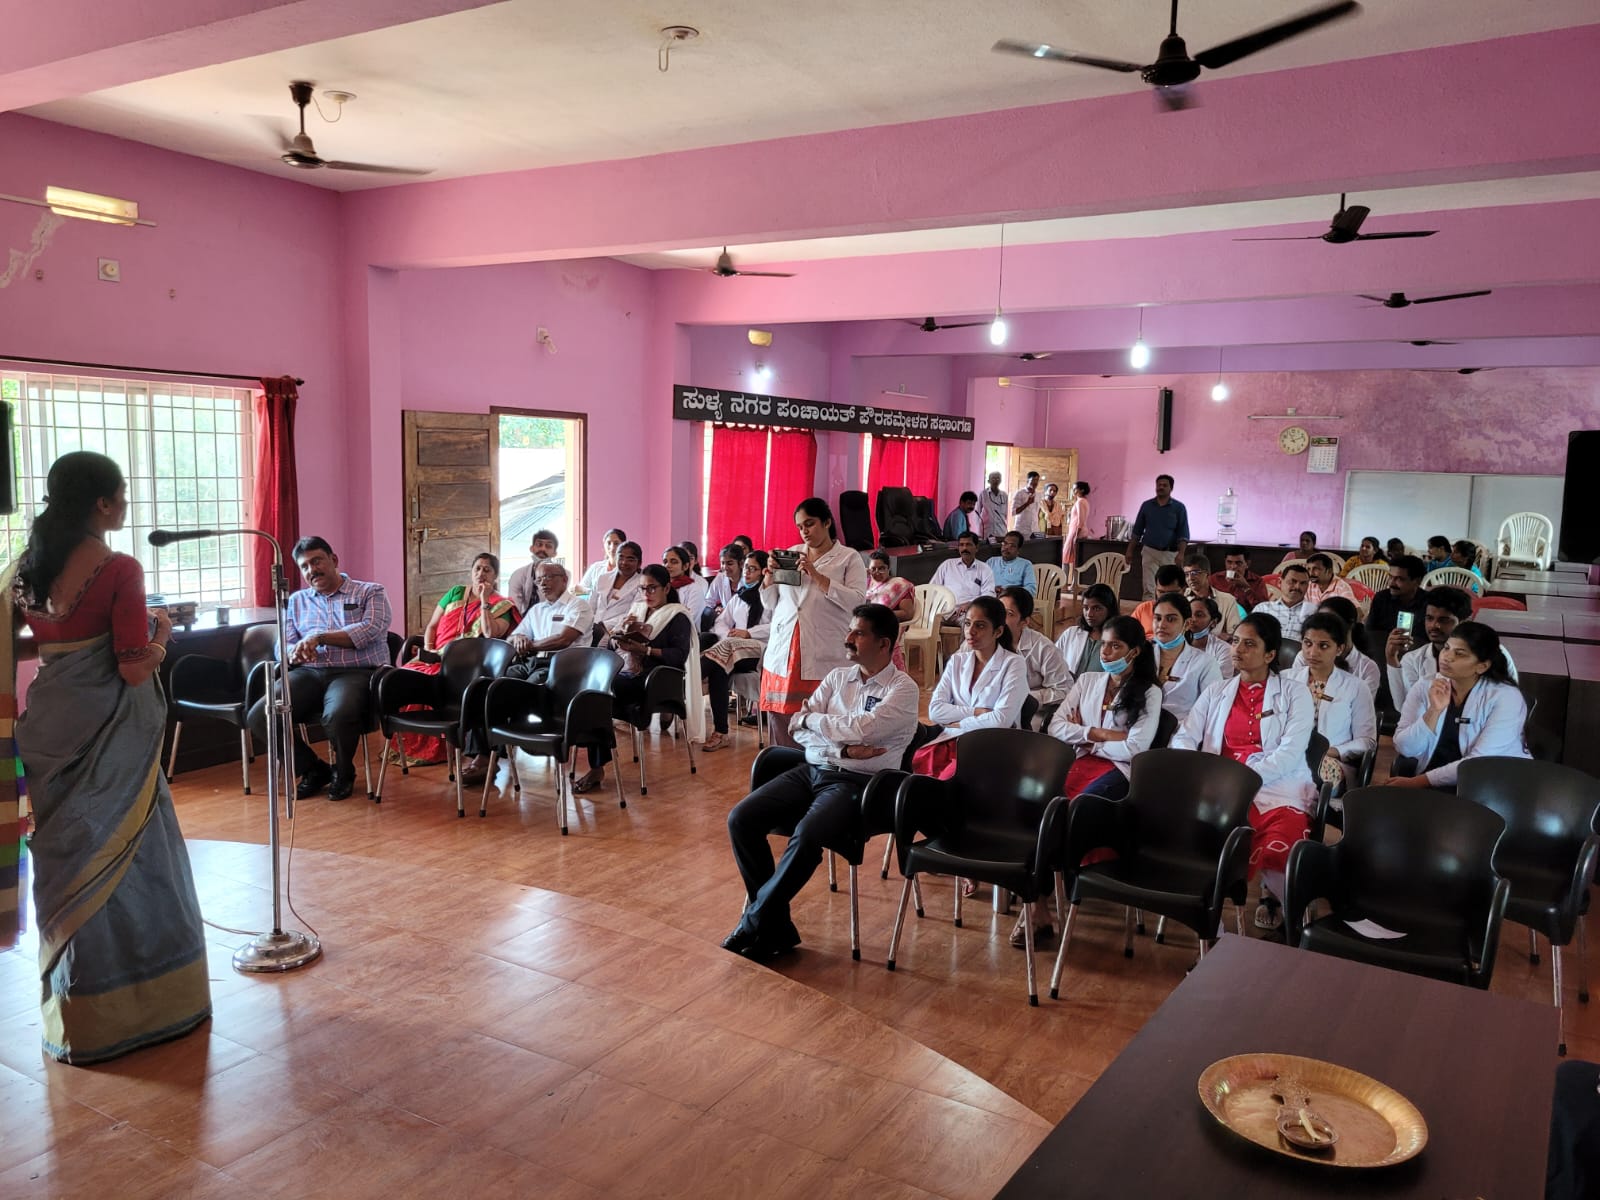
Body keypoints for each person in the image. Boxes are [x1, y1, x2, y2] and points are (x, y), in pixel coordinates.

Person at [8, 451, 210, 1065]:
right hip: (110, 732)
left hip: (49, 725)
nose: (124, 503)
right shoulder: (119, 567)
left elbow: (21, 645)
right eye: (121, 493)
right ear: (102, 502)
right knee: (135, 854)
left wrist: (67, 646)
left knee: (67, 863)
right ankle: (150, 1005)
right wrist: (162, 637)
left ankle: (79, 1012)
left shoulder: (27, 566)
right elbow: (131, 669)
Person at [723, 604, 919, 961]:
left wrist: (817, 724)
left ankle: (754, 922)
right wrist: (842, 747)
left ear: (883, 643)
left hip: (860, 784)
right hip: (814, 769)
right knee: (741, 819)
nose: (848, 638)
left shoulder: (902, 689)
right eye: (850, 630)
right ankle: (775, 927)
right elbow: (798, 726)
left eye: (859, 633)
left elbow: (865, 728)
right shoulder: (837, 678)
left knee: (808, 834)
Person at [1171, 613, 1315, 931]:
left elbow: (1290, 753)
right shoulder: (1217, 691)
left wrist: (1243, 778)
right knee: (1201, 840)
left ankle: (1291, 911)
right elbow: (1186, 735)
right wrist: (1191, 767)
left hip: (1277, 785)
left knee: (1280, 842)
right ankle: (1211, 926)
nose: (1237, 649)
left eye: (1249, 644)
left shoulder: (1295, 693)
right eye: (1235, 641)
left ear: (1270, 654)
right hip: (1220, 787)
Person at [248, 535, 393, 801]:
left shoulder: (370, 592)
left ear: (333, 560)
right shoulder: (297, 600)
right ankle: (314, 769)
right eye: (304, 566)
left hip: (356, 672)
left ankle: (344, 772)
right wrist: (294, 652)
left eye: (317, 561)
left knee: (337, 714)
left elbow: (370, 629)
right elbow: (284, 642)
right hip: (309, 672)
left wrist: (320, 638)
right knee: (261, 715)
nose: (312, 570)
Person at [578, 563, 700, 792]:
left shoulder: (677, 615)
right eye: (642, 588)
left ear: (666, 588)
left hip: (656, 680)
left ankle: (599, 764)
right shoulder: (638, 610)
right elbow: (612, 644)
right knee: (592, 696)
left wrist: (645, 650)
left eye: (652, 588)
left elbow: (678, 655)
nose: (646, 594)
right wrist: (619, 634)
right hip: (628, 673)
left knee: (597, 694)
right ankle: (599, 762)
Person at [393, 552, 519, 770]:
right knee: (405, 676)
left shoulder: (502, 605)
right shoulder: (456, 592)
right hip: (436, 654)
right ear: (471, 572)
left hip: (468, 665)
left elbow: (490, 633)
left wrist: (484, 601)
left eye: (487, 570)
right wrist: (429, 651)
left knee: (434, 679)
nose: (481, 574)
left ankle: (440, 749)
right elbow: (432, 626)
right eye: (477, 568)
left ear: (496, 576)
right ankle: (407, 747)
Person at [760, 498, 868, 750]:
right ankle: (784, 763)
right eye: (800, 527)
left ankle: (818, 763)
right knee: (782, 716)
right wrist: (769, 578)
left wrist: (817, 576)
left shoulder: (848, 557)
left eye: (809, 524)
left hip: (825, 649)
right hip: (786, 648)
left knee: (822, 716)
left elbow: (856, 601)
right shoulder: (792, 553)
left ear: (827, 522)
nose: (804, 531)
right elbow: (770, 603)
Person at [1390, 621, 1530, 791]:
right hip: (1429, 780)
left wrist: (1418, 782)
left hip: (1489, 786)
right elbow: (1405, 747)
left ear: (1482, 666)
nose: (1447, 657)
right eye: (1446, 648)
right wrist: (1434, 711)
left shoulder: (1505, 697)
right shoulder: (1426, 685)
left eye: (1460, 654)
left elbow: (1479, 762)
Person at [1048, 615, 1163, 805]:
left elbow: (1134, 748)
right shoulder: (1087, 680)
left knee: (1081, 805)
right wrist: (1100, 733)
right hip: (1079, 757)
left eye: (1115, 646)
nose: (1105, 652)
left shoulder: (1150, 692)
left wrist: (1088, 742)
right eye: (1103, 644)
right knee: (1042, 793)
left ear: (1134, 652)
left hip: (1117, 767)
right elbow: (1055, 727)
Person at [913, 594, 1028, 781]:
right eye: (967, 624)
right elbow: (935, 711)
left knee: (948, 782)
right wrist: (976, 712)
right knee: (920, 779)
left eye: (980, 626)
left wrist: (959, 723)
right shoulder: (957, 661)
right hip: (952, 740)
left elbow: (1001, 721)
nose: (970, 631)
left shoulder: (1014, 664)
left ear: (998, 631)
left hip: (992, 746)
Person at [1286, 612, 1377, 794]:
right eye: (1308, 643)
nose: (1313, 652)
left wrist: (1332, 751)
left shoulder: (1356, 687)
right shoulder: (1285, 679)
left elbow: (1367, 742)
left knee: (1301, 783)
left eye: (1323, 646)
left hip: (1328, 761)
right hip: (1288, 752)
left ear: (1339, 649)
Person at [1384, 585, 1513, 706]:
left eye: (1443, 620)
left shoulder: (1491, 653)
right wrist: (1391, 658)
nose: (1434, 625)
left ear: (1464, 622)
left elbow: (1508, 700)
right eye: (1429, 618)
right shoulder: (1413, 659)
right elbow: (1403, 706)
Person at [699, 551, 770, 753]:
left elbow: (778, 625)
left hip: (760, 649)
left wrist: (748, 633)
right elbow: (721, 622)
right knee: (719, 667)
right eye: (746, 567)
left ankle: (688, 679)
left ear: (764, 572)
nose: (747, 572)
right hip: (732, 650)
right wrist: (727, 635)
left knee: (726, 650)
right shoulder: (739, 596)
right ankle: (721, 732)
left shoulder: (772, 595)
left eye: (753, 568)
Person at [505, 560, 593, 684]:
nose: (543, 583)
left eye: (548, 577)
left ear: (564, 580)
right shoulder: (536, 609)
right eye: (539, 580)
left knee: (527, 687)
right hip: (532, 661)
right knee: (501, 680)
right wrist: (517, 638)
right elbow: (510, 640)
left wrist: (530, 646)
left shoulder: (578, 605)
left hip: (562, 665)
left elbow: (563, 640)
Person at [1000, 587, 1074, 730]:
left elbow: (1064, 689)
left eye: (1009, 614)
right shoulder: (983, 640)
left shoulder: (1043, 648)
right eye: (998, 611)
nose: (999, 618)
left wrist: (1024, 698)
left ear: (1024, 622)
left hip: (1031, 716)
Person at [1148, 591, 1221, 721]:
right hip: (1139, 728)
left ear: (1187, 624)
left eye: (1171, 619)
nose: (1161, 625)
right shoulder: (1142, 656)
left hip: (1183, 730)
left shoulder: (1205, 663)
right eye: (1158, 618)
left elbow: (1214, 709)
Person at [1294, 595, 1379, 696]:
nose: (1322, 628)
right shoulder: (1305, 657)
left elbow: (1360, 703)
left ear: (1351, 624)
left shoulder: (1367, 668)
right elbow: (1296, 695)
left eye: (1331, 623)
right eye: (1319, 620)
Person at [1127, 474, 1189, 600]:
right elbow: (1137, 530)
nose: (1161, 487)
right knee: (1149, 588)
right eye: (1159, 485)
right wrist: (1129, 551)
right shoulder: (1147, 506)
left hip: (1170, 554)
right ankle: (1149, 609)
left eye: (1164, 485)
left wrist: (1181, 554)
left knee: (1169, 587)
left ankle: (1169, 608)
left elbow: (1183, 533)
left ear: (1171, 488)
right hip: (1150, 551)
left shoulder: (1179, 507)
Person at [864, 550, 916, 671]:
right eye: (873, 569)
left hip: (889, 626)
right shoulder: (867, 583)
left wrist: (881, 614)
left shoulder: (899, 585)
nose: (877, 572)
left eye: (881, 568)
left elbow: (907, 614)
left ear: (888, 568)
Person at [1055, 582, 1117, 678]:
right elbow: (1052, 662)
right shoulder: (1071, 633)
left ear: (1109, 609)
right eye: (1086, 608)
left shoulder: (1118, 642)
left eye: (1096, 609)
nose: (1089, 614)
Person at [930, 532, 996, 622]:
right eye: (961, 545)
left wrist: (971, 604)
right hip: (944, 611)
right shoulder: (947, 565)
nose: (964, 548)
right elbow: (933, 589)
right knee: (929, 621)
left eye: (968, 544)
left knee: (969, 622)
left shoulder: (985, 569)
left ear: (977, 547)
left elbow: (989, 595)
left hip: (969, 611)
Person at [590, 540, 645, 640]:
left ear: (639, 563)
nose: (624, 562)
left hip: (616, 632)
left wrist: (605, 626)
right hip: (591, 629)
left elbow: (633, 614)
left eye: (630, 559)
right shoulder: (603, 578)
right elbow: (591, 606)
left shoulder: (642, 584)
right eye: (621, 557)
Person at [1253, 562, 1314, 649]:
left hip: (1299, 655)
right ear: (1280, 582)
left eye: (1303, 583)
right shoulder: (1263, 609)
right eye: (1292, 581)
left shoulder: (1314, 612)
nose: (1297, 587)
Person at [1183, 552, 1244, 639]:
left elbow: (1235, 635)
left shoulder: (1227, 600)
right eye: (1187, 574)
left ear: (1207, 573)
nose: (1190, 578)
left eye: (1195, 573)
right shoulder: (1181, 599)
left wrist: (1225, 637)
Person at [506, 528, 560, 616]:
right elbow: (514, 609)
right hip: (524, 619)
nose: (543, 549)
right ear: (531, 548)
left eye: (548, 546)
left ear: (555, 553)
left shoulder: (562, 576)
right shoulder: (518, 575)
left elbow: (558, 607)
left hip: (550, 619)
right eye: (539, 544)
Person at [701, 542, 747, 636]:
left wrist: (726, 610)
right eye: (722, 563)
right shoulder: (721, 577)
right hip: (724, 623)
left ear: (741, 563)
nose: (725, 567)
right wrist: (715, 610)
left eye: (730, 563)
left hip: (742, 624)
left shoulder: (748, 580)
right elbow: (708, 601)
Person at [1188, 595, 1235, 680]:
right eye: (1189, 614)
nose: (1192, 619)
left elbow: (1220, 682)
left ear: (1213, 622)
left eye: (1199, 615)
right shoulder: (1176, 645)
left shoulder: (1224, 650)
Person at [1131, 564, 1186, 636]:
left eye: (1171, 593)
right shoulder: (1144, 609)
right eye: (1161, 592)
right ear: (1156, 589)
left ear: (1183, 590)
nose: (1166, 597)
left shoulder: (1193, 612)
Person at [577, 528, 626, 595]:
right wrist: (593, 593)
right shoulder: (596, 567)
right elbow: (579, 590)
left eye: (616, 543)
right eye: (608, 543)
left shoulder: (627, 569)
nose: (612, 547)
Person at [663, 544, 707, 618]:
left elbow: (689, 618)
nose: (668, 565)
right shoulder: (662, 586)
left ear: (685, 566)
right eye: (665, 562)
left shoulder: (694, 589)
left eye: (674, 562)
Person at [988, 531, 1036, 595]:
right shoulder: (991, 561)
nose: (1006, 547)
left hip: (1012, 599)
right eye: (1005, 543)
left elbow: (1031, 589)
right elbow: (980, 583)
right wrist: (992, 589)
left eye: (1012, 546)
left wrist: (1008, 592)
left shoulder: (1026, 564)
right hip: (990, 598)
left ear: (1018, 550)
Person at [1063, 481, 1092, 576]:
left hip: (1076, 531)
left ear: (1082, 490)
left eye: (1075, 489)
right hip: (1077, 531)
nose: (1073, 490)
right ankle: (1072, 582)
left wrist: (1076, 535)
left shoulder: (1080, 502)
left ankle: (1065, 582)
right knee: (1075, 559)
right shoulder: (1083, 501)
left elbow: (1081, 520)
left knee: (1066, 557)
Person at [979, 471, 1009, 541]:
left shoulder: (1004, 495)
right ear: (988, 481)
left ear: (1001, 480)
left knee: (1000, 546)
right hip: (987, 530)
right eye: (993, 478)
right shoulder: (983, 494)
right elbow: (978, 512)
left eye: (998, 478)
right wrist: (980, 529)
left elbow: (1006, 513)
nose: (996, 480)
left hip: (1001, 530)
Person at [1011, 470, 1040, 537]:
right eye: (1033, 480)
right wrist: (1027, 503)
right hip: (1022, 530)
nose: (1035, 482)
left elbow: (1037, 512)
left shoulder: (1038, 495)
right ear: (1027, 481)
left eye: (1037, 480)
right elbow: (1013, 512)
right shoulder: (1019, 493)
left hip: (1035, 530)